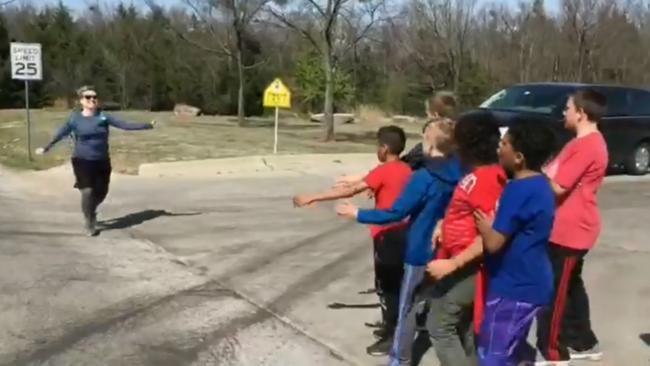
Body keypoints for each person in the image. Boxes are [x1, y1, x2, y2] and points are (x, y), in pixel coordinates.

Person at [336, 119, 462, 366]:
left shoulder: (425, 177)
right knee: (439, 306)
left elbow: (396, 212)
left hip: (419, 250)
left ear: (430, 143)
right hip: (448, 250)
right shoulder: (461, 172)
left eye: (424, 137)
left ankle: (399, 360)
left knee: (407, 309)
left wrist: (358, 214)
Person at [293, 125, 412, 355]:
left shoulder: (385, 170)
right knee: (395, 285)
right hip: (404, 233)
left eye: (378, 146)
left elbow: (351, 192)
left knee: (387, 288)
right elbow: (370, 185)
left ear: (384, 148)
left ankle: (392, 336)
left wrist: (313, 196)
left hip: (387, 235)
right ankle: (392, 327)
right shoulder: (405, 169)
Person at [423, 111, 506, 366]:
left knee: (439, 325)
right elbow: (467, 213)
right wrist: (444, 224)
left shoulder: (488, 179)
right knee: (467, 331)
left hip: (468, 267)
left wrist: (452, 264)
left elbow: (491, 232)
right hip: (460, 262)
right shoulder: (477, 175)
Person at [474, 121, 557, 366]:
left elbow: (494, 244)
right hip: (534, 281)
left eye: (504, 144)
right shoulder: (541, 184)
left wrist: (484, 226)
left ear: (519, 157)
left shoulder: (518, 190)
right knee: (515, 350)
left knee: (493, 355)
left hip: (513, 288)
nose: (499, 149)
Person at [535, 89, 608, 365]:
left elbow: (556, 185)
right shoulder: (576, 143)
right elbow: (549, 172)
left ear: (581, 112)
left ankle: (553, 352)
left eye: (567, 108)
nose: (564, 112)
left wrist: (527, 178)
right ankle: (583, 341)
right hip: (565, 226)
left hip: (571, 230)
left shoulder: (588, 145)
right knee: (571, 286)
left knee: (553, 291)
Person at [35, 86, 155, 236]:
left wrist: (147, 125)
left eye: (94, 97)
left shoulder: (103, 117)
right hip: (82, 160)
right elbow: (61, 133)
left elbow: (125, 125)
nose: (92, 100)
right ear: (81, 101)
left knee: (101, 192)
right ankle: (89, 221)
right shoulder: (75, 119)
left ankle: (91, 209)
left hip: (102, 160)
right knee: (87, 191)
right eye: (88, 97)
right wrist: (47, 147)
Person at [402, 92, 458, 170]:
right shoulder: (461, 136)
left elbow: (409, 164)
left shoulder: (430, 142)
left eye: (428, 114)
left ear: (435, 115)